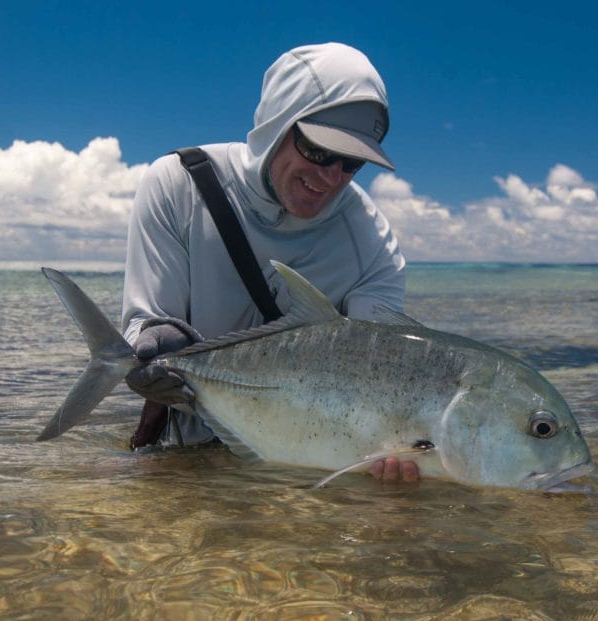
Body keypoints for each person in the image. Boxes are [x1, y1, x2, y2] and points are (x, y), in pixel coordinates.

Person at [121, 42, 418, 481]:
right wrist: (151, 338)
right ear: (277, 125)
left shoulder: (372, 245)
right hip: (183, 457)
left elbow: (379, 367)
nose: (331, 176)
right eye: (320, 149)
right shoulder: (179, 185)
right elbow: (143, 327)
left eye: (352, 161)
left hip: (299, 468)